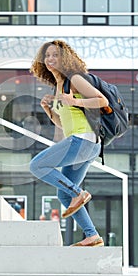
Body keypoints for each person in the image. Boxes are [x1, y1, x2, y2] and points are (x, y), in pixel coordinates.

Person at [29, 40, 109, 247]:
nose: (50, 59)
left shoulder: (74, 79)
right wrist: (49, 110)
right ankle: (92, 236)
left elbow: (102, 101)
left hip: (84, 140)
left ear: (65, 58)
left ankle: (78, 193)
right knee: (63, 194)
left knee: (37, 165)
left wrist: (75, 101)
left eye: (55, 55)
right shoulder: (59, 86)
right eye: (47, 56)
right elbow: (62, 124)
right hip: (85, 144)